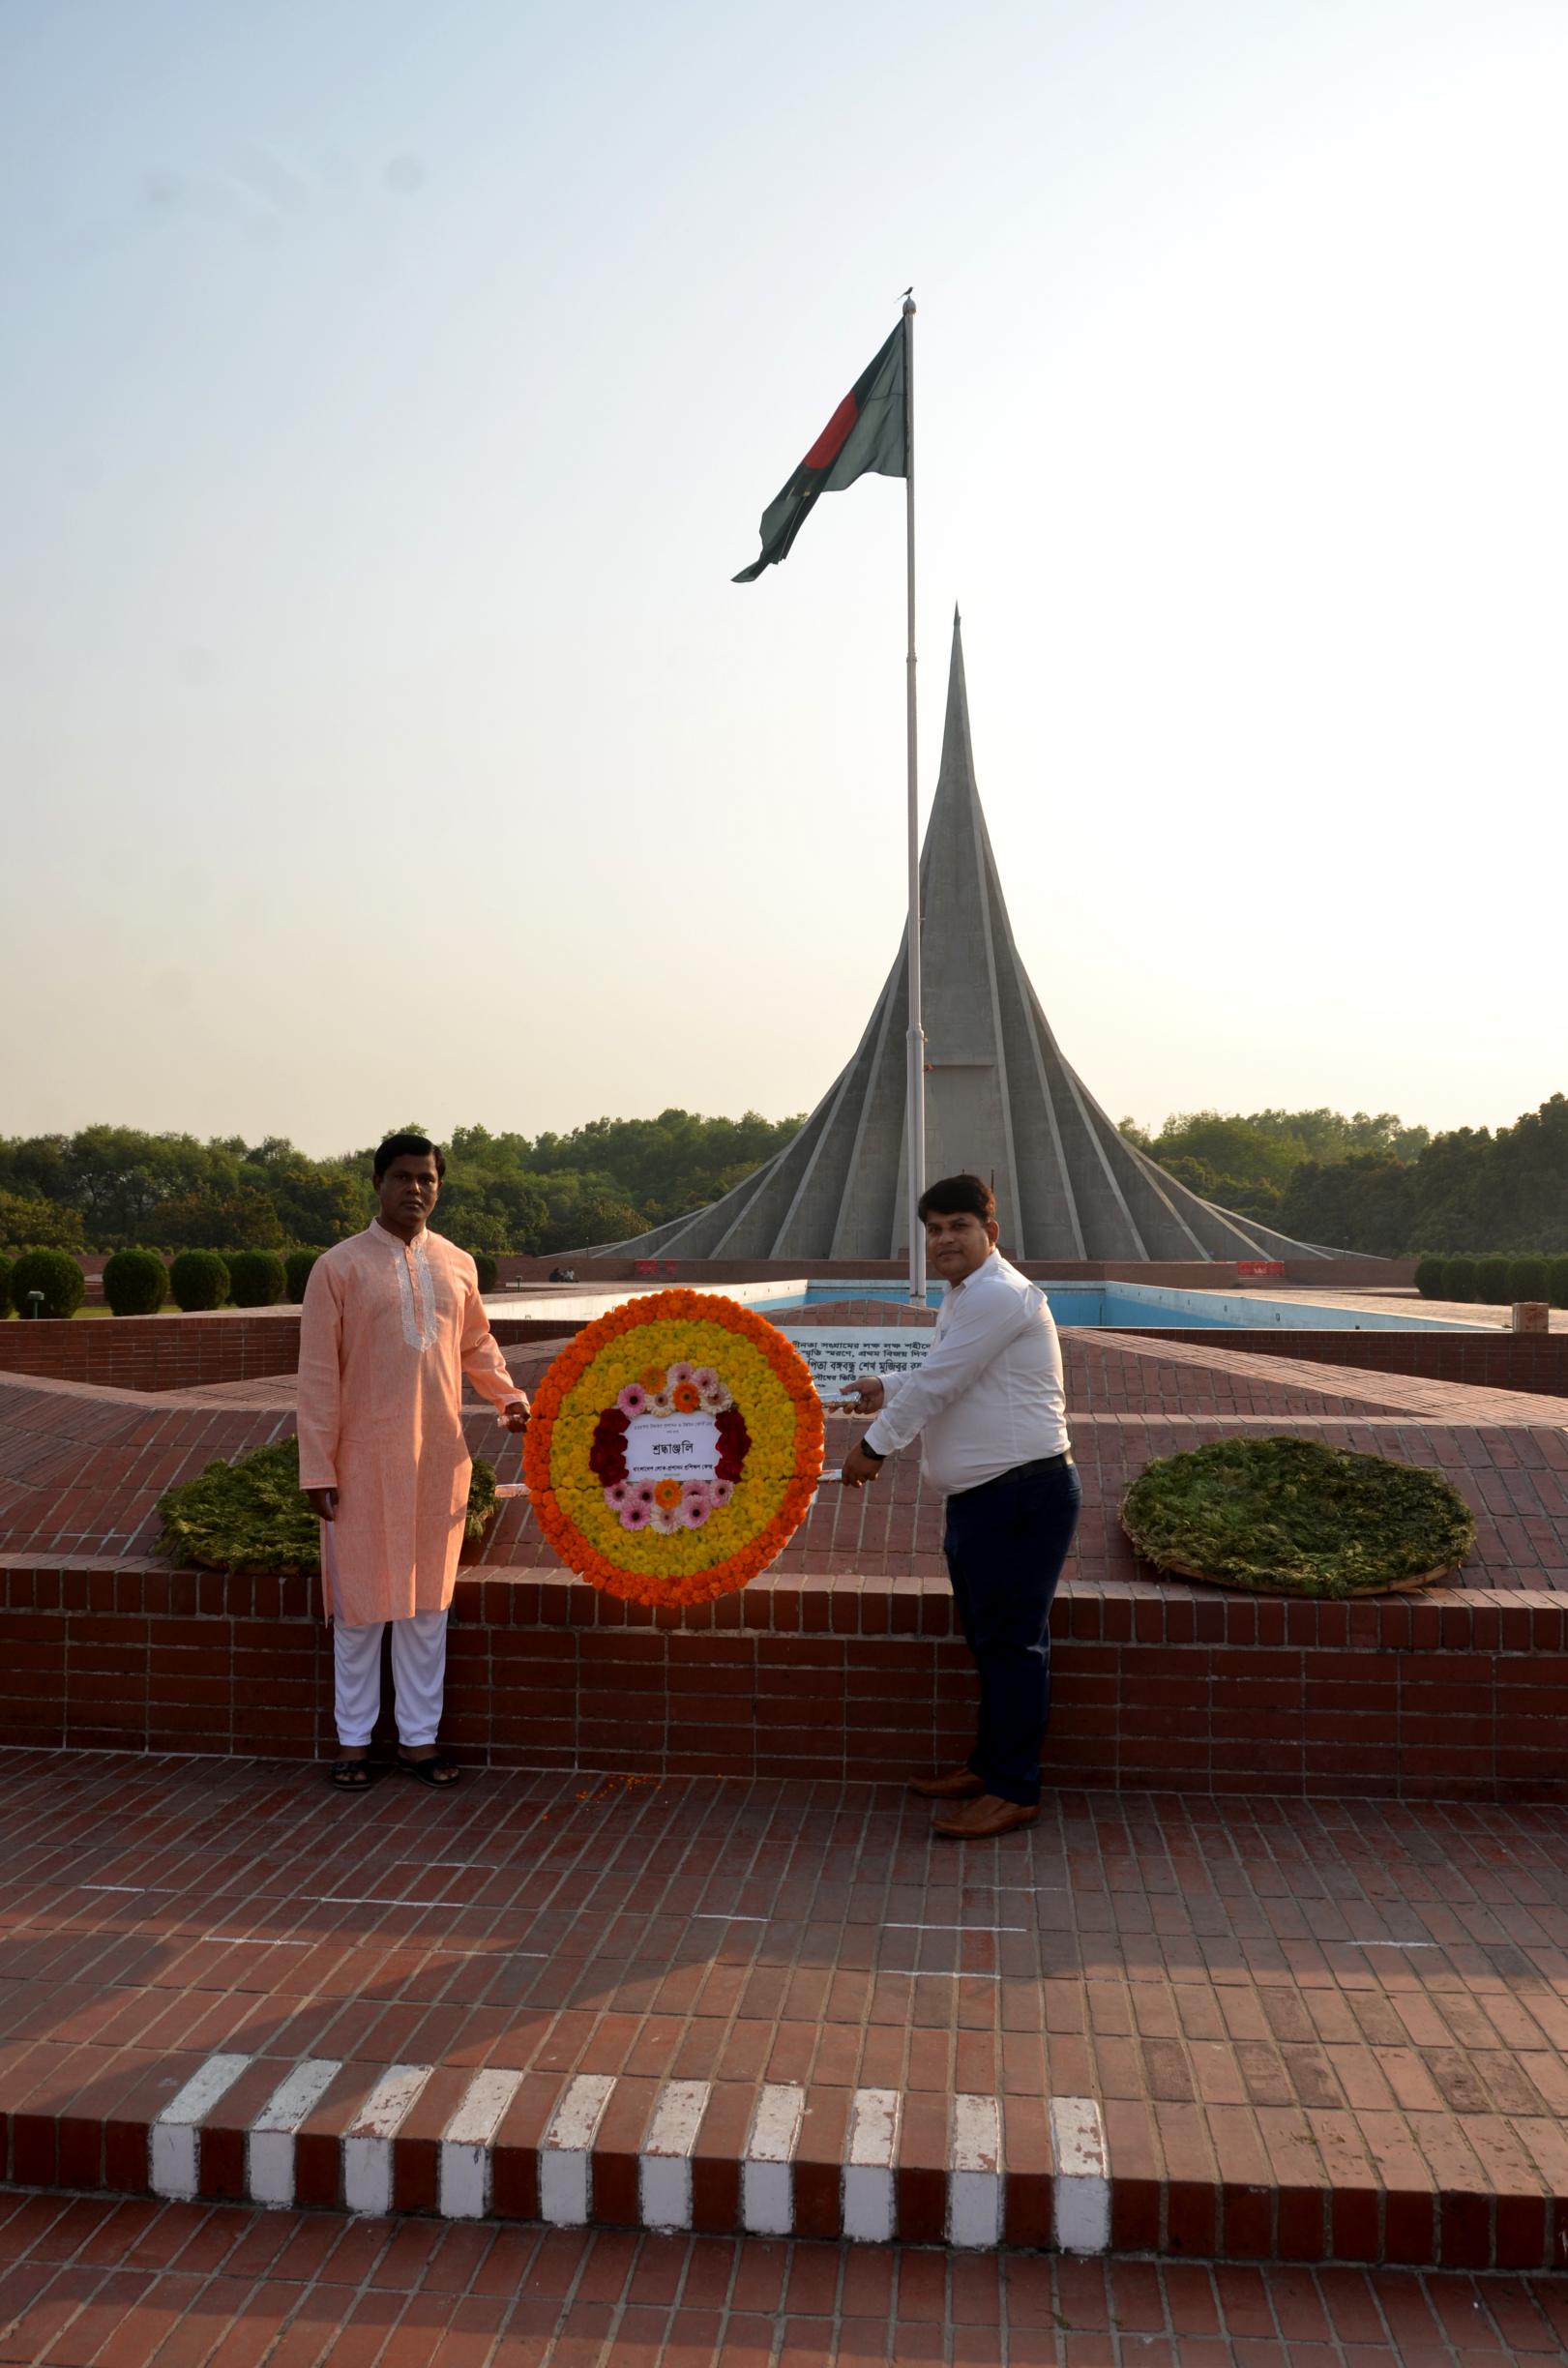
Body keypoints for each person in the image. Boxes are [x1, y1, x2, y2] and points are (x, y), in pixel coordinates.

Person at [840, 1174, 1079, 1839]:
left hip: (1020, 1494)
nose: (944, 1239)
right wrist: (883, 1384)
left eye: (957, 1227)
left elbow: (941, 1383)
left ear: (989, 1233)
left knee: (1012, 1645)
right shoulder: (967, 1297)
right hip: (985, 1499)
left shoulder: (1001, 1295)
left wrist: (873, 1448)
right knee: (990, 1641)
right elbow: (943, 1368)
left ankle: (1013, 1788)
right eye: (934, 1229)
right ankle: (989, 1764)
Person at [297, 1133, 529, 1792]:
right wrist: (318, 1467)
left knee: (427, 1610)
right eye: (402, 1177)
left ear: (439, 1186)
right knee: (361, 1608)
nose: (415, 1190)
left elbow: (478, 1345)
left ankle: (419, 1744)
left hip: (437, 1462)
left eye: (427, 1179)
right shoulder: (338, 1267)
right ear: (377, 1184)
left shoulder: (456, 1263)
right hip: (360, 1463)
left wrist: (508, 1399)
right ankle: (352, 1744)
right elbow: (317, 1376)